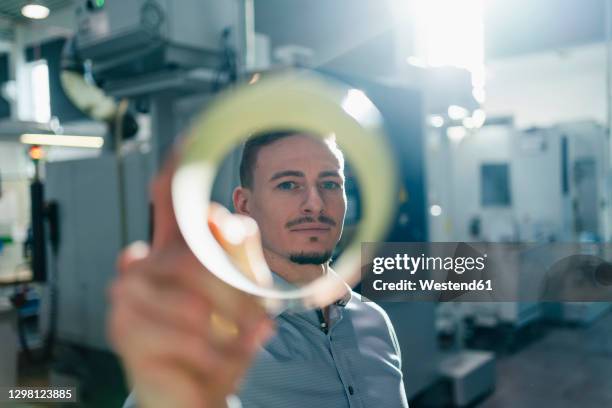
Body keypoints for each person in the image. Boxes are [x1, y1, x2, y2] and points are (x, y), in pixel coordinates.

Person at [111, 131, 408, 407]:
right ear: (244, 204)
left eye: (330, 183)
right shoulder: (219, 334)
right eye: (289, 184)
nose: (315, 204)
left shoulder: (374, 321)